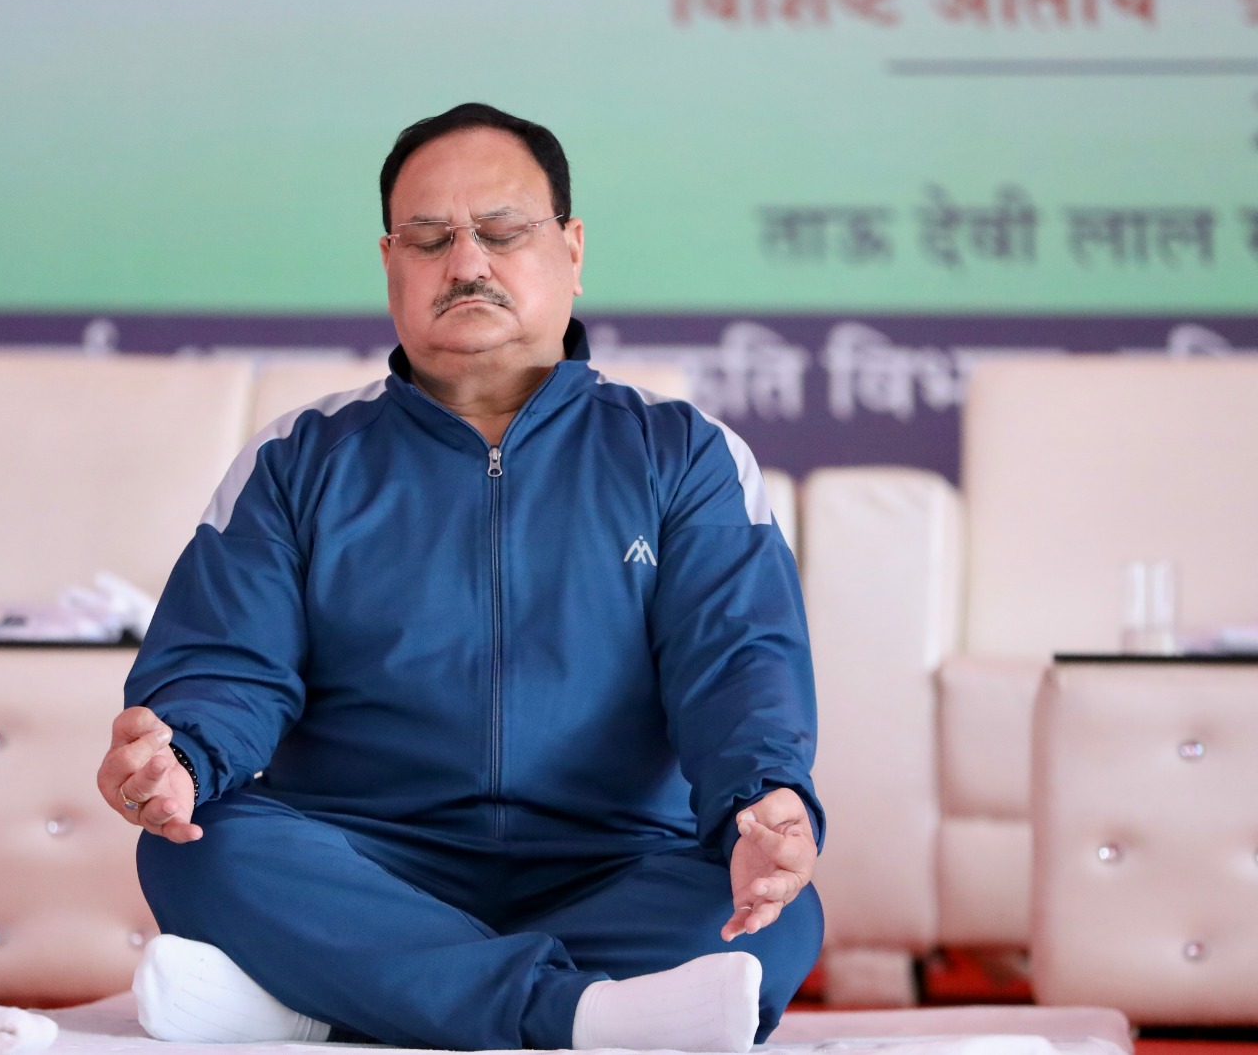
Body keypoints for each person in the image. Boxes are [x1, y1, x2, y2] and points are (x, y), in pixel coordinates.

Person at [96, 103, 823, 1052]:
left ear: (571, 247)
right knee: (201, 853)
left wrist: (765, 800)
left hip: (611, 863)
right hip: (367, 860)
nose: (467, 263)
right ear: (390, 263)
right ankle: (572, 1014)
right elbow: (228, 669)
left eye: (502, 232)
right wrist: (180, 757)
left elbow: (736, 665)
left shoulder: (683, 455)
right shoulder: (297, 459)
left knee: (775, 922)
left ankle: (330, 1000)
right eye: (429, 238)